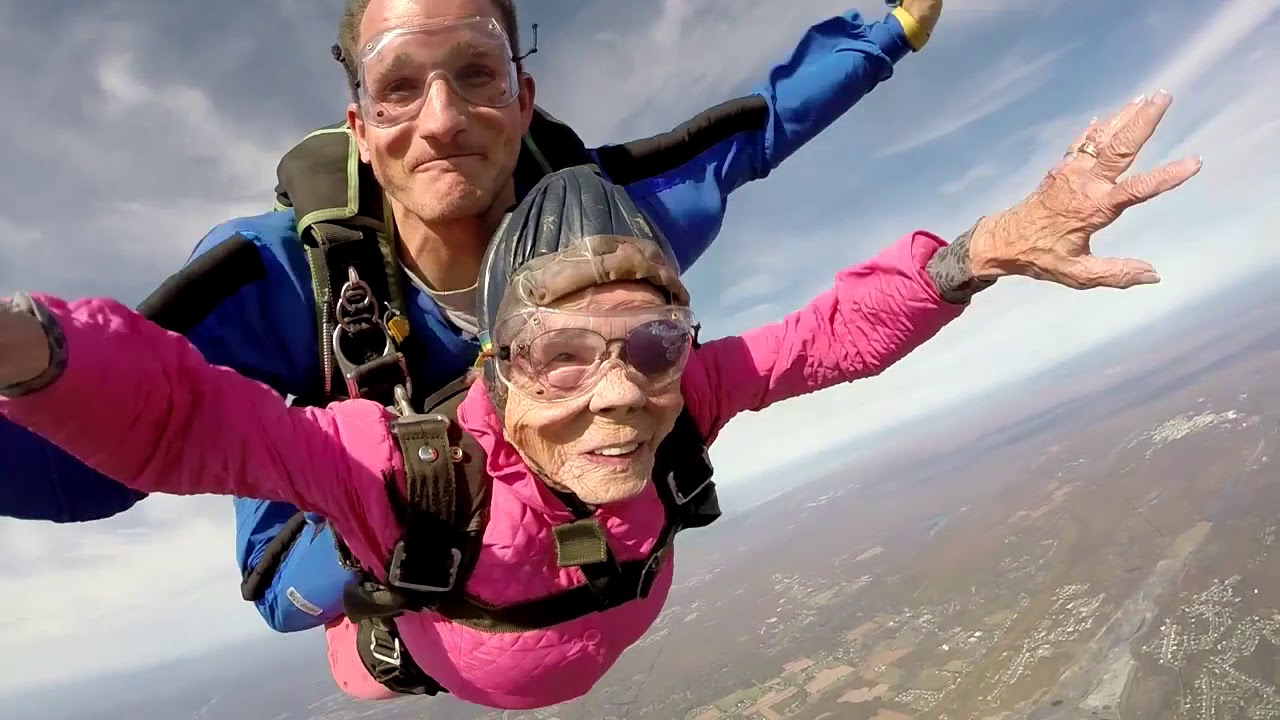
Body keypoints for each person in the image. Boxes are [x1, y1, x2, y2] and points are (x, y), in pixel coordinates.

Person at [0, 91, 1200, 708]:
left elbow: (825, 337)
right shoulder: (392, 463)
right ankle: (309, 561)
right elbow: (183, 417)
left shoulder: (686, 404)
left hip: (511, 619)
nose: (621, 395)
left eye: (654, 344)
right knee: (309, 588)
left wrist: (983, 250)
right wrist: (30, 350)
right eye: (565, 354)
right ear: (500, 364)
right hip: (403, 634)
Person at [0, 0, 943, 643]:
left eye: (477, 74)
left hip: (503, 476)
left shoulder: (604, 225)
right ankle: (390, 638)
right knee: (418, 511)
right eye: (399, 86)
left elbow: (755, 131)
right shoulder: (286, 278)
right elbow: (97, 437)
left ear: (522, 100)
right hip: (321, 512)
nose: (443, 119)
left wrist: (890, 31)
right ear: (360, 127)